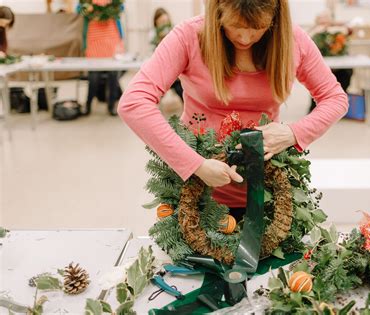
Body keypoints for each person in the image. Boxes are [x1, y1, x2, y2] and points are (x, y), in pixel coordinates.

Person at [118, 0, 348, 215]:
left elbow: (335, 98)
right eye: (236, 25)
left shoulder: (294, 40)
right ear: (218, 10)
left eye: (258, 27)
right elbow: (134, 102)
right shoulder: (189, 36)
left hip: (266, 194)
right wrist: (194, 164)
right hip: (195, 194)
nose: (246, 38)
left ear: (275, 16)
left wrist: (293, 133)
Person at [80, 0, 125, 116]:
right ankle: (88, 104)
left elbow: (121, 7)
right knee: (93, 76)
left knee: (113, 74)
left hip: (110, 38)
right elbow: (79, 9)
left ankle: (111, 105)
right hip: (94, 38)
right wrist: (87, 8)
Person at [307, 9, 353, 113]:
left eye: (326, 19)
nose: (324, 22)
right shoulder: (314, 31)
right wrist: (317, 31)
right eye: (321, 19)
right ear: (317, 21)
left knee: (347, 72)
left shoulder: (336, 30)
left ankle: (339, 103)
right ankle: (316, 107)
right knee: (316, 78)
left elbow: (349, 31)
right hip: (319, 67)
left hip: (338, 66)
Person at [150, 7, 184, 102]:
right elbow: (153, 55)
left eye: (166, 21)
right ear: (156, 22)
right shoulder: (153, 35)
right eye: (161, 21)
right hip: (161, 74)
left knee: (182, 89)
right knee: (154, 94)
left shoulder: (175, 32)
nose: (164, 24)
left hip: (175, 74)